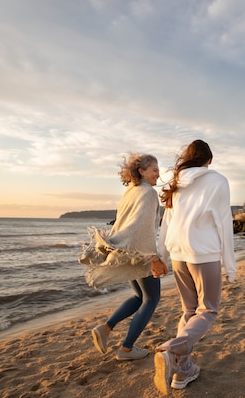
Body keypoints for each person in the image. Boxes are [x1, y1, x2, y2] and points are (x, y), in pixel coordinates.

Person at [153, 140, 236, 393]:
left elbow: (166, 222)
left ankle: (182, 371)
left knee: (189, 310)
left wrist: (161, 256)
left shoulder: (176, 183)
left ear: (187, 159)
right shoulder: (217, 180)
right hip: (203, 253)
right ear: (209, 160)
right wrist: (230, 266)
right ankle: (172, 350)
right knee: (208, 311)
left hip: (178, 252)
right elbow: (224, 222)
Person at [90, 153, 168, 361]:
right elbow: (141, 228)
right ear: (141, 171)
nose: (158, 175)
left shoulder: (130, 191)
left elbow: (125, 223)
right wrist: (154, 257)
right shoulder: (149, 193)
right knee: (151, 299)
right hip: (141, 252)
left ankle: (105, 329)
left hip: (129, 251)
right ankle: (126, 349)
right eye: (154, 170)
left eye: (159, 171)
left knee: (139, 297)